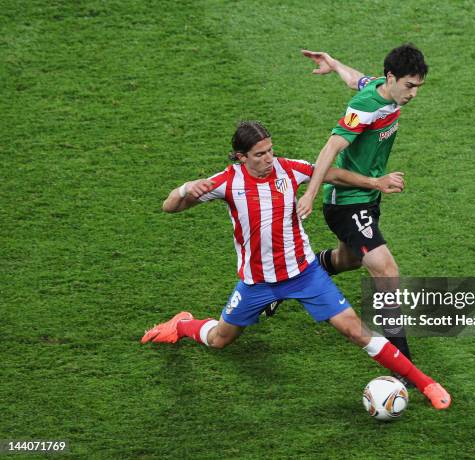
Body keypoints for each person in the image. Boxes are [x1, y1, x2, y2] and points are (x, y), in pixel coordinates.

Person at [141, 121, 451, 410]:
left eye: (271, 150)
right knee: (219, 339)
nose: (269, 158)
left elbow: (331, 173)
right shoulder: (226, 182)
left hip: (305, 275)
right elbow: (170, 207)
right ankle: (182, 324)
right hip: (257, 283)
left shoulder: (288, 169)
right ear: (241, 157)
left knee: (357, 331)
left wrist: (374, 182)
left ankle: (426, 383)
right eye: (260, 154)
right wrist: (185, 189)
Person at [297, 44, 429, 362]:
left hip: (367, 200)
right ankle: (403, 364)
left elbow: (357, 79)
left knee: (349, 260)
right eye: (409, 86)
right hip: (347, 202)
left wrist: (334, 62)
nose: (413, 94)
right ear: (392, 77)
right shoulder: (365, 106)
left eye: (418, 87)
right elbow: (328, 154)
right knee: (386, 271)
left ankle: (292, 277)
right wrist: (310, 195)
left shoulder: (382, 89)